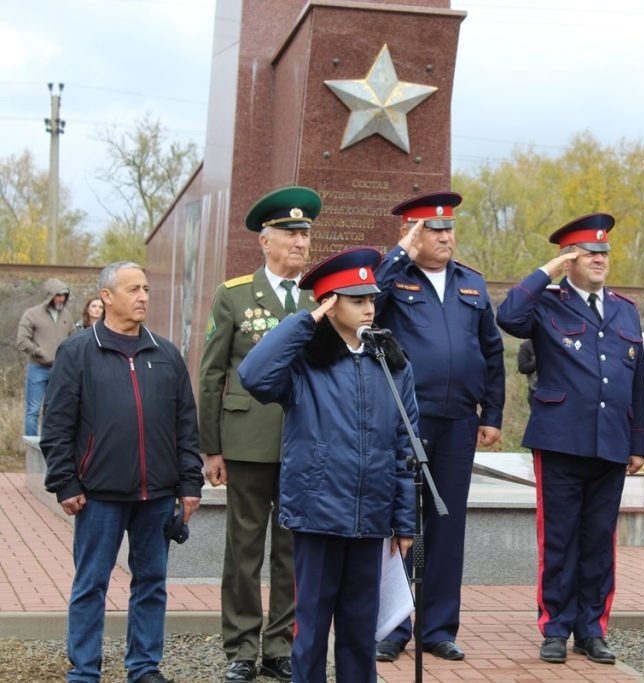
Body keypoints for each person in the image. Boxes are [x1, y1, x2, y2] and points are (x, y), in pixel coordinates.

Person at [237, 247, 416, 683]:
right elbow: (254, 374)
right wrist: (306, 321)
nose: (369, 308)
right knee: (312, 631)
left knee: (359, 631)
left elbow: (405, 445)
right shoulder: (304, 361)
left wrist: (404, 520)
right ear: (331, 304)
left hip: (371, 515)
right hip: (318, 513)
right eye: (357, 300)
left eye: (371, 299)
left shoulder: (390, 361)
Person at [496, 212, 644, 665]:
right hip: (561, 440)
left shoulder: (624, 308)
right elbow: (508, 315)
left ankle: (591, 629)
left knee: (599, 542)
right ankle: (555, 627)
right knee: (559, 540)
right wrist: (548, 271)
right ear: (569, 259)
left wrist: (638, 442)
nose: (600, 259)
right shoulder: (547, 302)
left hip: (611, 442)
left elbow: (635, 381)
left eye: (604, 253)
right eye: (589, 253)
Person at [40, 261, 203, 683]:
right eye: (133, 289)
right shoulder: (78, 351)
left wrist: (190, 483)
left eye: (145, 288)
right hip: (99, 496)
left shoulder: (165, 354)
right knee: (91, 584)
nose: (143, 296)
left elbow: (186, 423)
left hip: (158, 496)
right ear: (107, 296)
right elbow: (56, 424)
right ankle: (84, 670)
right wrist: (65, 482)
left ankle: (144, 667)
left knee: (151, 582)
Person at [373, 191, 505, 662]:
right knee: (400, 522)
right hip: (406, 418)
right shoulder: (393, 277)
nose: (446, 236)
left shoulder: (471, 282)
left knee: (447, 526)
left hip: (458, 421)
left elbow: (491, 350)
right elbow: (367, 300)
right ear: (411, 233)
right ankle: (393, 625)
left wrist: (492, 413)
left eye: (449, 228)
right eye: (434, 229)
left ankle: (438, 627)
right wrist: (399, 255)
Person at [198, 186, 320, 682]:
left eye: (304, 235)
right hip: (246, 439)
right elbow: (212, 373)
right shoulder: (235, 294)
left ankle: (280, 645)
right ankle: (242, 647)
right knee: (244, 550)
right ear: (265, 241)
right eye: (290, 235)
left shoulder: (318, 296)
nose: (300, 243)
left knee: (291, 550)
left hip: (303, 441)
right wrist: (211, 448)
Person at [16, 277, 75, 436]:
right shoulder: (32, 314)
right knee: (33, 410)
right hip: (38, 369)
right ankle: (31, 446)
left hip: (60, 371)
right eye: (58, 295)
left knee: (55, 410)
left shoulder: (67, 316)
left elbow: (73, 340)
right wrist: (38, 351)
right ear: (50, 295)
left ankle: (49, 445)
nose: (61, 299)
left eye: (64, 296)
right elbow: (21, 340)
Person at [517, 338, 539, 405]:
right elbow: (522, 368)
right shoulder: (526, 346)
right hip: (535, 391)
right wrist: (540, 360)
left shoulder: (553, 343)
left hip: (557, 390)